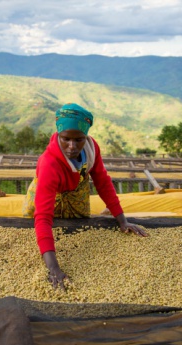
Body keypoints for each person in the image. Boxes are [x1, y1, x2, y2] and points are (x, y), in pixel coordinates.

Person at [23, 103, 148, 289]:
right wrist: (53, 267)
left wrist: (122, 220)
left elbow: (102, 182)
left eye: (79, 140)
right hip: (48, 197)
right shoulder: (49, 164)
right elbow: (43, 216)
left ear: (86, 137)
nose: (72, 146)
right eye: (66, 139)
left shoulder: (91, 149)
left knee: (77, 225)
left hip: (76, 194)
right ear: (58, 135)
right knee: (43, 224)